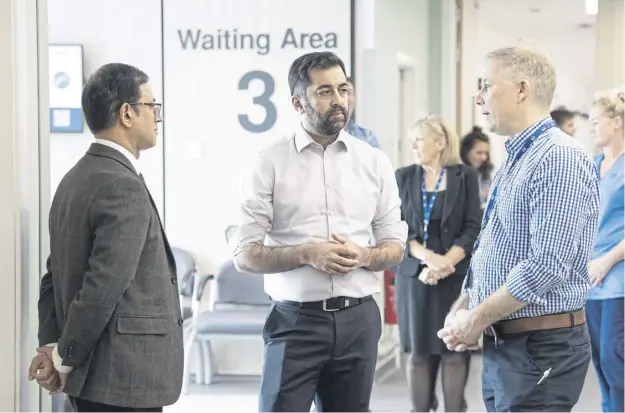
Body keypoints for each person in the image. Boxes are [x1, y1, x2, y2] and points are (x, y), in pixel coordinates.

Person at [231, 51, 408, 412]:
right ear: (298, 102)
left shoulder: (374, 162)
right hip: (296, 322)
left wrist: (366, 255)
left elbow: (395, 246)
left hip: (359, 320)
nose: (339, 100)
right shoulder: (268, 163)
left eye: (344, 89)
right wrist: (307, 253)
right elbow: (244, 254)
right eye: (325, 91)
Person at [437, 45, 600, 412]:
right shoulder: (517, 157)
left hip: (541, 346)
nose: (478, 98)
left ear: (522, 90)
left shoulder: (558, 158)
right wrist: (465, 305)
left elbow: (546, 265)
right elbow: (493, 246)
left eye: (485, 86)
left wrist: (476, 318)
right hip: (508, 343)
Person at [28, 63, 184, 412]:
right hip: (122, 380)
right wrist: (62, 357)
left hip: (94, 380)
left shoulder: (74, 179)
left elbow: (53, 274)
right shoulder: (121, 185)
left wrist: (52, 345)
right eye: (152, 107)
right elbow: (103, 287)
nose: (157, 117)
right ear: (127, 113)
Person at [395, 115, 481, 412]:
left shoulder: (465, 176)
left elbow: (472, 226)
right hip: (414, 277)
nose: (413, 146)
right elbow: (395, 229)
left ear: (440, 142)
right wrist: (430, 260)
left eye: (419, 140)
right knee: (418, 353)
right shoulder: (403, 177)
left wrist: (447, 262)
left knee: (453, 351)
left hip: (455, 277)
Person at [586, 87, 625, 412]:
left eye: (597, 121)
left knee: (616, 358)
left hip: (617, 277)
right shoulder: (594, 165)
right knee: (599, 361)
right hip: (590, 281)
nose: (592, 128)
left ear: (616, 122)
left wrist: (607, 260)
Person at [460, 126, 494, 209]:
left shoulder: (486, 173)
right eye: (479, 153)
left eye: (486, 153)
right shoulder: (456, 173)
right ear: (466, 151)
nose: (483, 157)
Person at [344, 77, 381, 148]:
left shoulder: (368, 138)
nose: (346, 98)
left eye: (349, 93)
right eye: (342, 92)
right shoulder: (320, 139)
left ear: (355, 99)